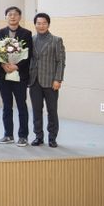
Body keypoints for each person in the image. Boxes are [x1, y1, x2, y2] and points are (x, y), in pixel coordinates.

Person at [0, 6, 34, 147]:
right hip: (3, 75)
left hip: (20, 75)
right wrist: (3, 64)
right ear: (6, 17)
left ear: (20, 17)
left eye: (15, 14)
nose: (12, 17)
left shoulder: (26, 33)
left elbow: (28, 54)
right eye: (10, 14)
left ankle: (23, 136)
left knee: (21, 105)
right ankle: (8, 135)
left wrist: (16, 66)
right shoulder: (0, 33)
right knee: (7, 106)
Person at [28, 12, 66, 148]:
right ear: (35, 25)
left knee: (52, 111)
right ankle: (38, 136)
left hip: (51, 81)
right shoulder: (31, 40)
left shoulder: (56, 40)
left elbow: (60, 62)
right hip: (34, 81)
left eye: (44, 23)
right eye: (38, 23)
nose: (41, 26)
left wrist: (58, 79)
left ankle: (52, 138)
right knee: (36, 111)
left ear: (48, 24)